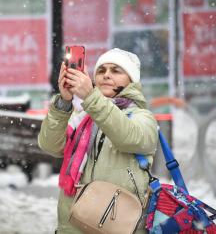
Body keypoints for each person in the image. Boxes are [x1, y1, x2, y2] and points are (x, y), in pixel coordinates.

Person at [38, 48, 158, 234]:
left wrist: (90, 97)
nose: (106, 75)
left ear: (131, 80)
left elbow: (127, 136)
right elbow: (50, 145)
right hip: (73, 226)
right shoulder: (84, 116)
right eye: (101, 70)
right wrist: (64, 101)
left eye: (116, 70)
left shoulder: (142, 117)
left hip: (117, 227)